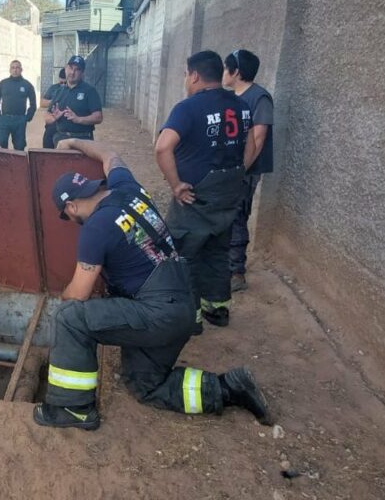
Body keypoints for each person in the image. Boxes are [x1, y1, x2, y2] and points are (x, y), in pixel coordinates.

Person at [32, 139, 270, 430]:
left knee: (69, 318)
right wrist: (73, 142)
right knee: (143, 384)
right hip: (183, 306)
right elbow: (111, 154)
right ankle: (229, 388)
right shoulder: (125, 187)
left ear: (71, 206)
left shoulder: (95, 227)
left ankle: (73, 409)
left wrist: (62, 296)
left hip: (158, 313)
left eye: (66, 214)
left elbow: (78, 295)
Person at [154, 51, 257, 330]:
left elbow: (163, 147)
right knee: (217, 249)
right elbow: (251, 147)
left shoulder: (188, 108)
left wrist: (176, 185)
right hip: (228, 191)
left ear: (195, 75)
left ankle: (191, 316)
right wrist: (235, 177)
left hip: (196, 196)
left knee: (184, 251)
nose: (186, 80)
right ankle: (218, 308)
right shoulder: (241, 105)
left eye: (186, 75)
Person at [223, 50, 275, 292]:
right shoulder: (229, 97)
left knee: (237, 215)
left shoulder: (259, 98)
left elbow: (259, 137)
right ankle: (225, 262)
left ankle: (237, 272)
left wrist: (240, 170)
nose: (223, 73)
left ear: (237, 72)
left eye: (226, 68)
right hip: (227, 168)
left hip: (245, 170)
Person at [48, 55, 103, 146]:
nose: (72, 72)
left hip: (83, 140)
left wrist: (79, 119)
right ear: (66, 68)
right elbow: (47, 116)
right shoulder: (59, 91)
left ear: (82, 73)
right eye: (70, 68)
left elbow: (98, 117)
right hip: (61, 139)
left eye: (77, 69)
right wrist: (54, 117)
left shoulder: (90, 91)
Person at [0, 60, 37, 150]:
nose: (15, 70)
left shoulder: (27, 85)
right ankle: (3, 164)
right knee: (1, 143)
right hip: (4, 119)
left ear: (21, 69)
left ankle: (18, 164)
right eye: (13, 68)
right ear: (10, 70)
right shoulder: (3, 84)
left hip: (19, 120)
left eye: (17, 68)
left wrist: (27, 117)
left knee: (19, 146)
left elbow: (33, 103)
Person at [40, 68, 67, 149]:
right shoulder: (54, 88)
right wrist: (54, 101)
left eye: (65, 83)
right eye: (61, 82)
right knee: (47, 147)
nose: (63, 85)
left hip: (66, 125)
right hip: (52, 123)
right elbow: (42, 103)